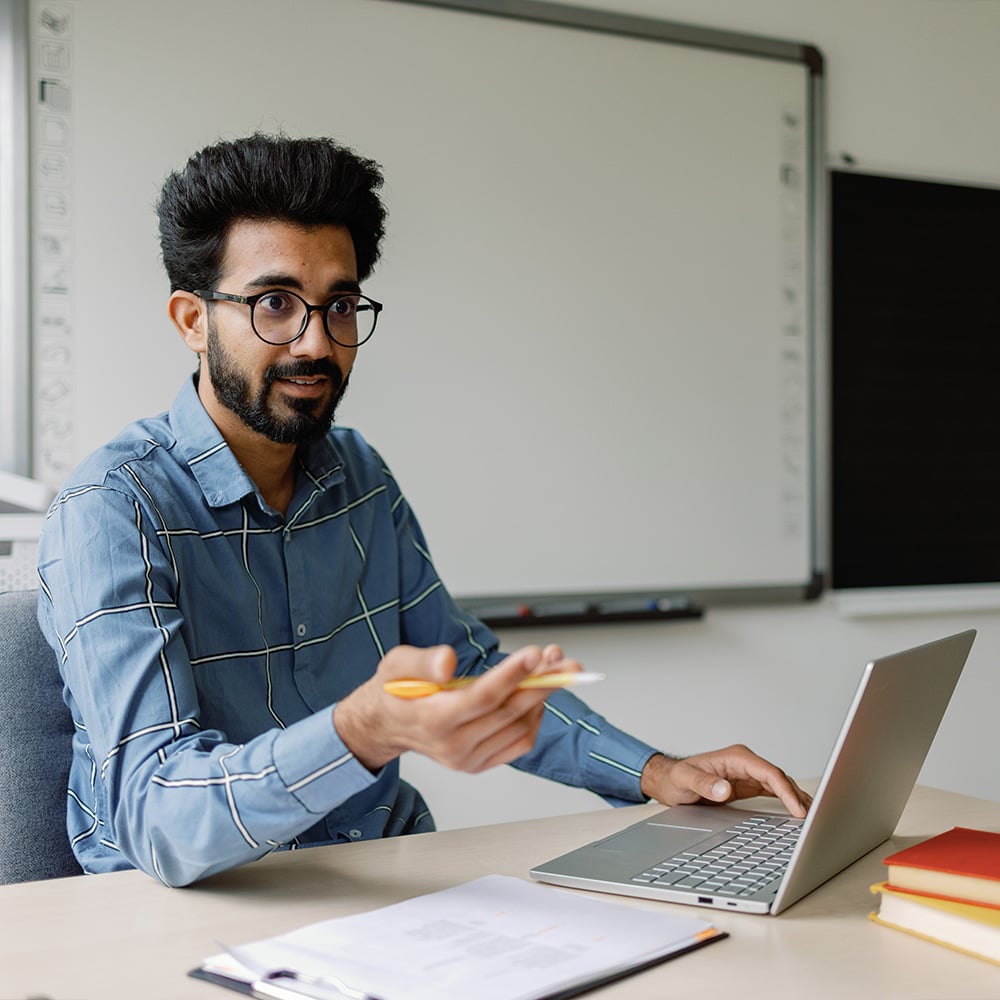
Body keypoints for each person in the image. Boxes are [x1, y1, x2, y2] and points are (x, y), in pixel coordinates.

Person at [37, 134, 810, 887]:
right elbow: (154, 814)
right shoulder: (111, 513)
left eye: (339, 306)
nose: (316, 343)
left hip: (384, 882)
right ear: (192, 320)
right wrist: (357, 734)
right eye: (275, 303)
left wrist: (654, 772)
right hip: (194, 912)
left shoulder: (360, 475)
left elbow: (466, 671)